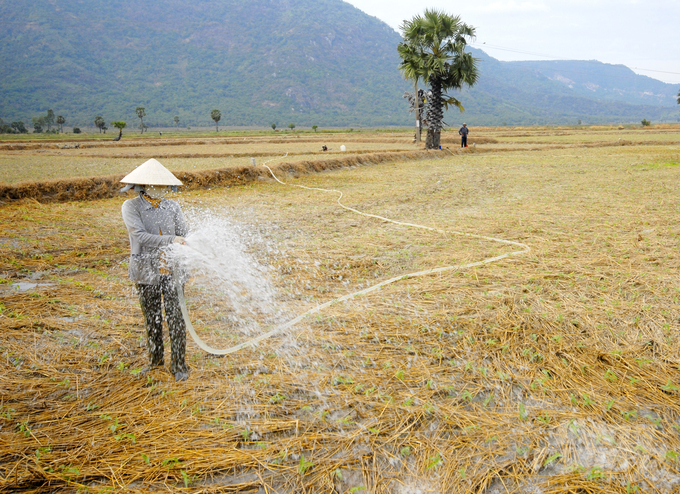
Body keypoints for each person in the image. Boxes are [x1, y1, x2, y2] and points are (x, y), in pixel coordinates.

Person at [120, 158, 190, 381]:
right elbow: (139, 236)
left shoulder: (172, 206)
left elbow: (183, 232)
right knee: (153, 318)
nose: (162, 189)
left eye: (164, 185)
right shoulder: (131, 207)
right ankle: (155, 362)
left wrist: (181, 240)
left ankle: (179, 366)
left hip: (173, 270)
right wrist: (172, 239)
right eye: (157, 185)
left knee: (176, 318)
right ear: (144, 186)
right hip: (145, 271)